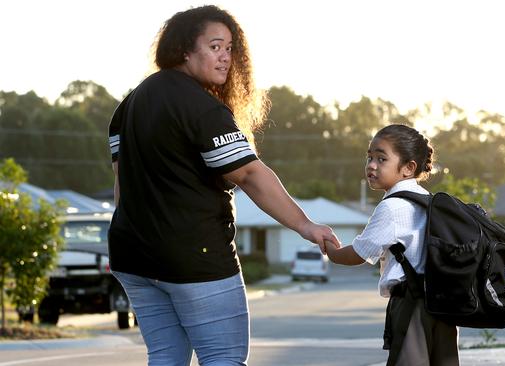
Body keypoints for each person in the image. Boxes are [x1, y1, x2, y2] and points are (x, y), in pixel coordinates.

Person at [107, 5, 340, 366]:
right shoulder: (201, 108)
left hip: (132, 255)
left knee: (166, 357)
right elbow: (248, 175)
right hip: (192, 257)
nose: (226, 58)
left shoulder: (129, 105)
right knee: (224, 358)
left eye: (230, 48)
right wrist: (305, 225)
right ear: (185, 49)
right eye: (215, 47)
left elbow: (122, 187)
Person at [324, 124, 459, 366]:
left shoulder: (392, 207)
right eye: (370, 157)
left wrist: (332, 252)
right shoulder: (428, 201)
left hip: (412, 305)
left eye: (382, 158)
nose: (372, 165)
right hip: (442, 306)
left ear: (408, 168)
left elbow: (359, 253)